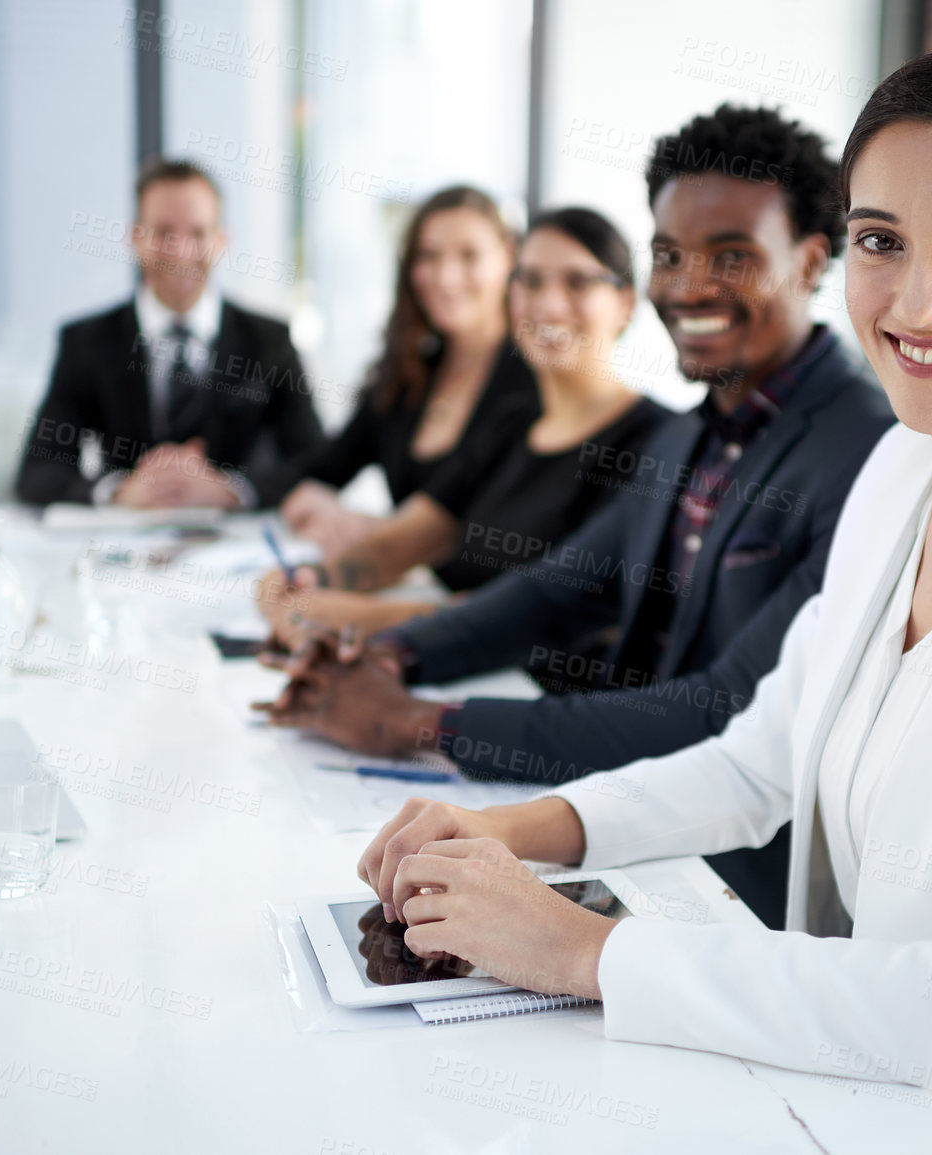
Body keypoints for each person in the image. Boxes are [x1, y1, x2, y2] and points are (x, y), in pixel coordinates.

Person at [344, 47, 932, 1155]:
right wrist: (508, 832)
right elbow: (762, 760)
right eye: (883, 240)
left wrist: (582, 952)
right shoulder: (900, 470)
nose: (918, 299)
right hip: (868, 1099)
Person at [256, 105, 899, 929]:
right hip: (628, 831)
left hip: (740, 891)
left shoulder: (867, 448)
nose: (689, 285)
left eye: (731, 257)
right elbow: (552, 591)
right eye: (670, 255)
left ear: (811, 259)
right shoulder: (690, 430)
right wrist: (377, 654)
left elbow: (719, 711)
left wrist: (412, 723)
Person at [258, 207, 668, 634]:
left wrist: (349, 618)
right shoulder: (512, 424)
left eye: (578, 282)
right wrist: (316, 579)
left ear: (625, 302)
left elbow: (553, 613)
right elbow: (402, 542)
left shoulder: (654, 441)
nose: (548, 303)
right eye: (530, 281)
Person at [15, 159, 323, 509]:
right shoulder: (86, 342)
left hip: (237, 546)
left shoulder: (270, 341)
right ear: (136, 238)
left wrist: (232, 490)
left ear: (222, 240)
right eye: (164, 233)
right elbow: (36, 473)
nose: (180, 252)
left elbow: (316, 462)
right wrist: (118, 491)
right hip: (124, 547)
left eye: (197, 233)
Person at [268, 187, 539, 554]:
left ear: (508, 256)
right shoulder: (407, 374)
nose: (445, 277)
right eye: (429, 256)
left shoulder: (536, 384)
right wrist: (304, 496)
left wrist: (379, 531)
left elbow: (509, 541)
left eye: (468, 255)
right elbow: (323, 466)